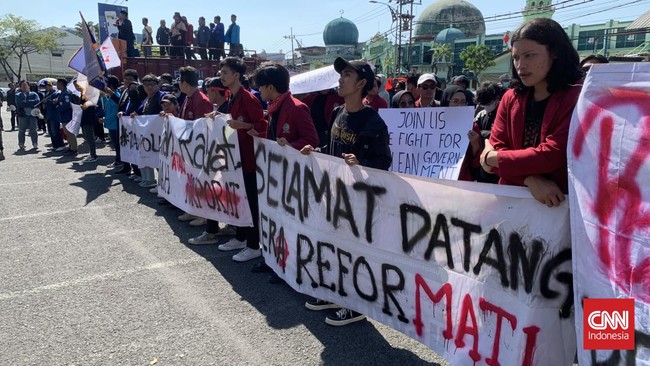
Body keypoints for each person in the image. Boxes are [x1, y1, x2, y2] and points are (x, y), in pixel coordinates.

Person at [301, 57, 392, 326]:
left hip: (359, 200)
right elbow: (331, 147)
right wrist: (315, 152)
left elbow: (384, 163)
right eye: (340, 75)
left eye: (347, 75)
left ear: (362, 84)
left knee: (354, 252)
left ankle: (355, 305)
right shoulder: (337, 112)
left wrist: (362, 163)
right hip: (334, 194)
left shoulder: (373, 122)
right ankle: (334, 293)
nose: (340, 80)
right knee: (332, 245)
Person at [480, 17, 583, 207]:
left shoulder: (577, 96)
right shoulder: (510, 97)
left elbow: (552, 155)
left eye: (529, 55)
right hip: (510, 203)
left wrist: (491, 157)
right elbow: (498, 148)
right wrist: (529, 180)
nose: (520, 66)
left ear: (555, 53)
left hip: (560, 206)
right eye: (516, 58)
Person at [189, 58, 268, 262]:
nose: (222, 75)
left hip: (248, 161)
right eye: (221, 72)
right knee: (237, 198)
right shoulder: (232, 97)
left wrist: (242, 126)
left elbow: (262, 126)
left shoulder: (249, 98)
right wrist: (219, 115)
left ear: (236, 76)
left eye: (225, 72)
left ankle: (253, 244)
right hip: (234, 160)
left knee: (249, 202)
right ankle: (241, 237)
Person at [248, 63, 319, 280]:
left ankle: (286, 264)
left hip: (291, 178)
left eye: (261, 87)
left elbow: (312, 141)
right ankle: (272, 258)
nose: (259, 91)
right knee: (273, 218)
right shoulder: (273, 108)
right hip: (275, 175)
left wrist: (290, 145)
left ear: (270, 87)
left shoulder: (296, 108)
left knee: (288, 222)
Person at [175, 66, 214, 226]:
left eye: (179, 81)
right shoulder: (188, 97)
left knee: (199, 180)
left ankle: (202, 214)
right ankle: (192, 209)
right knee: (189, 179)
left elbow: (203, 126)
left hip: (199, 148)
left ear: (185, 83)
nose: (178, 84)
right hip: (188, 146)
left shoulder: (202, 100)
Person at [440, 85, 481, 182]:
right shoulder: (434, 125)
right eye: (455, 102)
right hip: (438, 180)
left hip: (462, 181)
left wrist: (475, 145)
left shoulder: (472, 127)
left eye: (463, 102)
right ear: (447, 103)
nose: (460, 106)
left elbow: (476, 164)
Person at [132, 74, 163, 188]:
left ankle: (163, 185)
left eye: (152, 84)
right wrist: (135, 114)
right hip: (150, 136)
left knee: (160, 161)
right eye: (146, 85)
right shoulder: (146, 99)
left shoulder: (162, 96)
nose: (149, 87)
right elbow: (140, 112)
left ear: (157, 85)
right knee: (154, 159)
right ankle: (159, 183)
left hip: (159, 135)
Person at [100, 75, 122, 169]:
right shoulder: (111, 96)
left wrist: (105, 119)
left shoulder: (116, 95)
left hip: (115, 124)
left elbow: (114, 112)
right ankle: (118, 160)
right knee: (115, 144)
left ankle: (119, 161)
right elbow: (108, 108)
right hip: (112, 124)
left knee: (117, 144)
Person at [55, 78, 78, 156]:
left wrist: (58, 107)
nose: (57, 85)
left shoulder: (66, 93)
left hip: (68, 115)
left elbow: (67, 105)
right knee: (66, 133)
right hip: (63, 116)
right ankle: (70, 147)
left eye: (58, 84)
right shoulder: (62, 93)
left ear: (61, 84)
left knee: (70, 133)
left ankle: (74, 149)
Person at [15, 80, 40, 150]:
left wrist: (27, 102)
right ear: (20, 87)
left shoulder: (34, 94)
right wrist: (28, 103)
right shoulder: (18, 95)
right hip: (22, 114)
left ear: (29, 86)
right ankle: (21, 143)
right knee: (21, 130)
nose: (24, 87)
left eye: (26, 85)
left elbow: (37, 102)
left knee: (33, 130)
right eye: (23, 85)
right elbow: (19, 104)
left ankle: (35, 143)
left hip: (32, 114)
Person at [43, 80, 65, 151]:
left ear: (50, 86)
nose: (45, 88)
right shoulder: (47, 94)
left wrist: (49, 101)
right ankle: (55, 145)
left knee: (55, 131)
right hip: (49, 115)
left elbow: (56, 103)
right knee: (51, 131)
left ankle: (60, 144)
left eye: (46, 86)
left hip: (55, 115)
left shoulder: (56, 93)